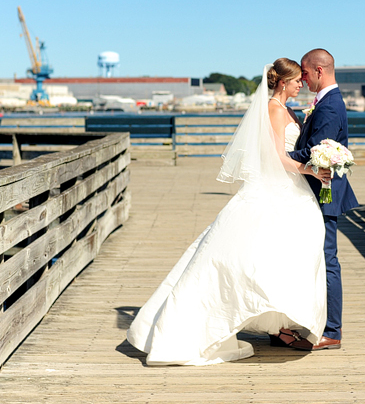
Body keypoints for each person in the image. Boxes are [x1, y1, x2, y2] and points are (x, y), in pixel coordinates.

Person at [126, 58, 331, 365]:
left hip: (292, 189)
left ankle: (281, 324)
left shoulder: (291, 110)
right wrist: (312, 170)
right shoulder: (274, 110)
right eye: (297, 80)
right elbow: (278, 157)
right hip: (276, 188)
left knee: (287, 253)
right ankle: (210, 321)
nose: (302, 83)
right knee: (244, 256)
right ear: (283, 83)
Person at [288, 48, 359, 350]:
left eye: (304, 72)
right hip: (316, 190)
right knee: (319, 258)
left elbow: (316, 152)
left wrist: (278, 157)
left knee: (328, 259)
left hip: (324, 191)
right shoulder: (325, 103)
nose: (302, 79)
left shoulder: (329, 106)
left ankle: (332, 331)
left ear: (318, 70)